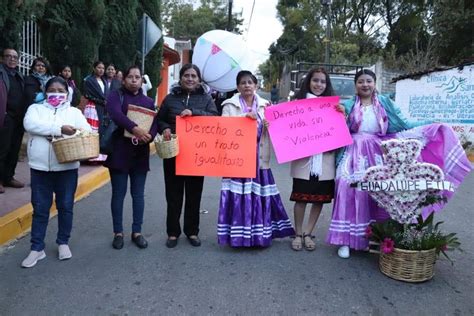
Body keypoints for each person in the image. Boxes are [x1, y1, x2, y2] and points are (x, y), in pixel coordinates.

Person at [327, 69, 472, 259]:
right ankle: (345, 240)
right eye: (361, 81)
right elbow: (334, 127)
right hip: (352, 152)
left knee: (381, 190)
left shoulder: (385, 103)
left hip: (378, 150)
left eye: (368, 81)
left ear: (374, 83)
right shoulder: (346, 105)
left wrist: (432, 124)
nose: (365, 85)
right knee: (347, 187)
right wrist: (339, 115)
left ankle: (376, 236)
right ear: (356, 85)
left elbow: (404, 124)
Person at [217, 70, 295, 248]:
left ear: (256, 85)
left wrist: (269, 126)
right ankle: (238, 238)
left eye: (250, 83)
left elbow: (276, 131)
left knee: (258, 196)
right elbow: (223, 128)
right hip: (237, 160)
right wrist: (244, 117)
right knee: (239, 198)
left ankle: (259, 236)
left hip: (260, 159)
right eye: (243, 83)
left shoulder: (265, 105)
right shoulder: (229, 105)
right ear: (237, 87)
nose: (246, 86)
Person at [21, 76, 91, 268]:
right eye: (52, 90)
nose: (57, 94)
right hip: (40, 168)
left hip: (66, 168)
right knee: (40, 209)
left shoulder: (74, 112)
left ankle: (63, 242)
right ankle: (37, 248)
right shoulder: (35, 109)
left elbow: (85, 131)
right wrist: (59, 129)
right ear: (45, 92)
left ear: (67, 93)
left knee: (66, 206)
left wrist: (67, 136)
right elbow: (30, 125)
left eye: (61, 91)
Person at [158, 63, 218, 248]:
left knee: (194, 194)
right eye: (186, 75)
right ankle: (173, 233)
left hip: (196, 155)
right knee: (173, 194)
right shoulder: (170, 99)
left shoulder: (206, 99)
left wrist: (195, 113)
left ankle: (192, 232)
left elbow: (215, 118)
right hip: (174, 153)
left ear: (199, 80)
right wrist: (166, 128)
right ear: (181, 78)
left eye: (193, 76)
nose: (190, 79)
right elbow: (159, 119)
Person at [104, 66, 158, 250]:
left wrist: (149, 135)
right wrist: (135, 128)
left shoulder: (148, 101)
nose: (134, 80)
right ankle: (118, 232)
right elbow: (116, 114)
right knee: (118, 194)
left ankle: (137, 232)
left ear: (142, 81)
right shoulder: (115, 96)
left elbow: (154, 122)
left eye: (138, 77)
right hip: (120, 150)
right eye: (131, 77)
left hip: (140, 152)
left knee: (138, 194)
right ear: (124, 79)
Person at [289, 68, 342, 251]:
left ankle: (308, 233)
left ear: (327, 85)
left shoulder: (334, 107)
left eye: (322, 82)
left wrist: (342, 114)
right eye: (315, 80)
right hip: (304, 159)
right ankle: (297, 233)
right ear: (308, 82)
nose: (319, 84)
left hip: (325, 159)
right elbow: (286, 129)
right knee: (301, 198)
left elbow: (342, 130)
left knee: (319, 199)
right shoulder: (297, 104)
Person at [0, 48, 27, 193]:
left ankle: (8, 177)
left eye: (15, 57)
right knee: (2, 149)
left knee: (14, 149)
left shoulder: (19, 75)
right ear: (2, 58)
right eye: (8, 56)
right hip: (5, 117)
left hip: (18, 118)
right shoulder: (1, 74)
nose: (12, 59)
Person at [83, 61, 108, 162]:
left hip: (103, 108)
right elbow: (87, 95)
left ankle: (100, 155)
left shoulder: (105, 81)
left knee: (101, 131)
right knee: (92, 131)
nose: (101, 70)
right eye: (99, 67)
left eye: (103, 68)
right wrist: (102, 101)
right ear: (94, 68)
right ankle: (90, 155)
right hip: (93, 107)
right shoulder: (89, 80)